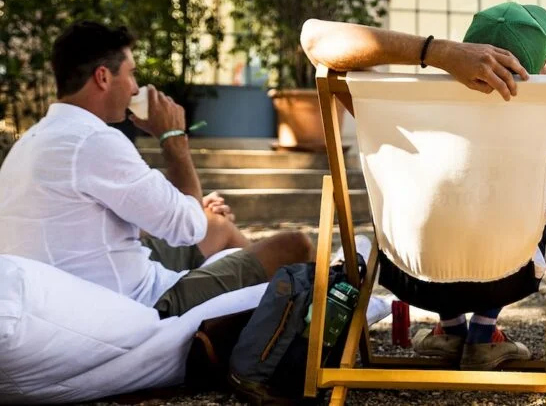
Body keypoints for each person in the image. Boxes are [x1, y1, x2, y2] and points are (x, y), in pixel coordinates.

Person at [301, 2, 546, 370]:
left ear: (470, 47)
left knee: (445, 202)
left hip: (411, 273)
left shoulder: (399, 106)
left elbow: (314, 37)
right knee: (519, 209)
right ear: (542, 62)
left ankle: (450, 329)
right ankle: (483, 334)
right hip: (507, 276)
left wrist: (438, 53)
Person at [0, 21, 314, 318]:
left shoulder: (33, 141)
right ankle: (294, 332)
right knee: (294, 246)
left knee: (216, 224)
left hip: (69, 290)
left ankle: (253, 314)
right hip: (138, 303)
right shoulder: (94, 140)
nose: (135, 88)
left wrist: (190, 210)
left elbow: (90, 226)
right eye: (131, 74)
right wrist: (172, 137)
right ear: (103, 78)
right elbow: (189, 228)